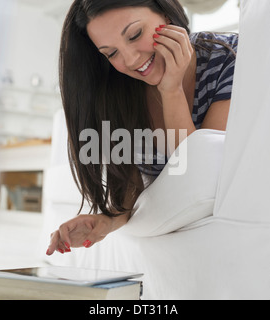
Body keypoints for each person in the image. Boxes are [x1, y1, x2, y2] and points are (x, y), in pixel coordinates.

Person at [46, 0, 238, 255]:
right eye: (111, 53)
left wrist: (171, 90)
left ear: (166, 12)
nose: (131, 60)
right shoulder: (120, 91)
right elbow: (131, 186)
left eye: (135, 34)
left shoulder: (227, 57)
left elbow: (200, 178)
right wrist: (106, 221)